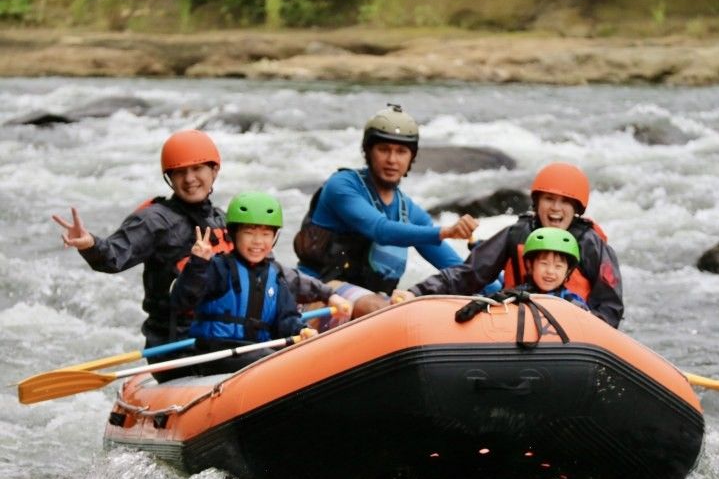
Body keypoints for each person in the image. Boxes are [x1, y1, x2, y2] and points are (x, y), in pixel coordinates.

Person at [53, 129, 348, 381]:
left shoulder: (225, 221)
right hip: (180, 347)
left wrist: (323, 291)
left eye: (197, 169)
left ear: (214, 171)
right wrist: (89, 242)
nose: (190, 178)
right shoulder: (154, 220)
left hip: (230, 341)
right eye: (180, 172)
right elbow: (112, 256)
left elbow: (268, 272)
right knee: (276, 363)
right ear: (169, 178)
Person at [293, 103, 478, 319]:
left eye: (401, 152)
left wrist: (499, 283)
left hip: (371, 302)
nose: (392, 159)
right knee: (386, 310)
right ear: (368, 152)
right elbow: (380, 230)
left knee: (409, 308)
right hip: (317, 292)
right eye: (383, 149)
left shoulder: (408, 210)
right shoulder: (342, 186)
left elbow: (457, 267)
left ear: (411, 158)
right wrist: (443, 232)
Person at [395, 162, 624, 327]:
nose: (556, 208)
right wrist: (416, 292)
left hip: (575, 331)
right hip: (514, 325)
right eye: (549, 199)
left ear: (576, 209)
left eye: (565, 202)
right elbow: (468, 274)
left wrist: (590, 334)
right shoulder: (516, 235)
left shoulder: (591, 244)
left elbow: (610, 306)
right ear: (536, 202)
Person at [170, 192, 317, 375]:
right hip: (218, 354)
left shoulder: (275, 276)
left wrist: (301, 329)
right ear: (233, 234)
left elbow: (286, 319)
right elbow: (182, 301)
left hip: (257, 351)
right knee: (271, 361)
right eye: (249, 233)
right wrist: (198, 265)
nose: (257, 241)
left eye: (265, 234)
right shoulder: (217, 268)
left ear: (274, 238)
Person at [516, 227, 588, 310]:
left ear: (568, 271)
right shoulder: (515, 297)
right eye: (544, 263)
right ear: (530, 265)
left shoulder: (575, 304)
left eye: (558, 266)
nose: (550, 271)